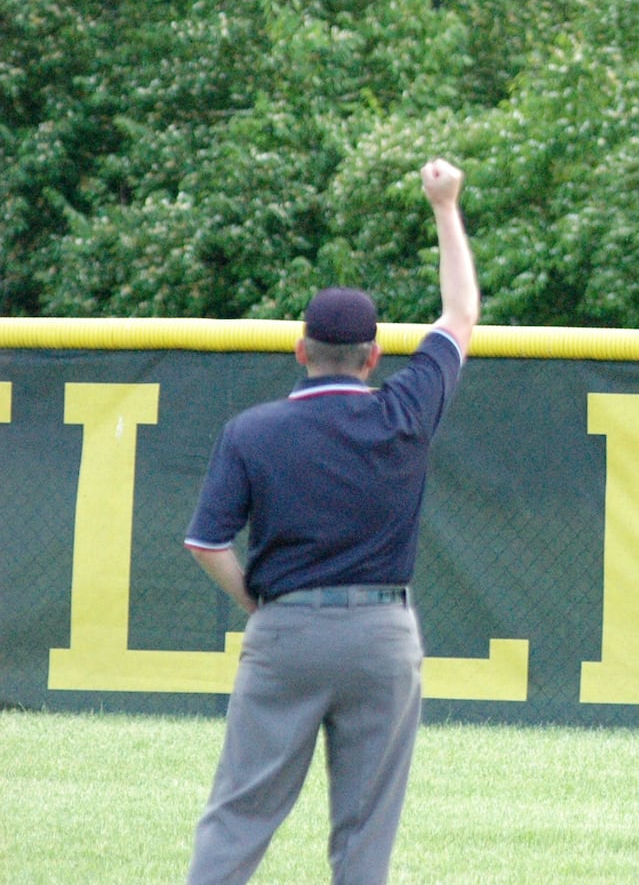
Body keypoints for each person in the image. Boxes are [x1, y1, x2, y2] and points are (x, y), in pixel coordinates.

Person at [182, 158, 479, 883]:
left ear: (300, 350)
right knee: (364, 834)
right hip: (383, 636)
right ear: (373, 356)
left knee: (240, 814)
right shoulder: (404, 412)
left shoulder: (252, 431)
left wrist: (260, 601)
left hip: (286, 632)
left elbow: (206, 542)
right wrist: (445, 206)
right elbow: (461, 314)